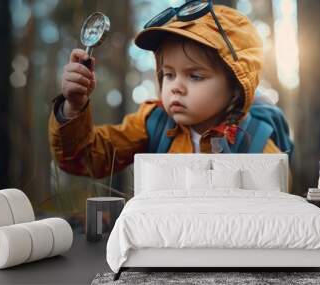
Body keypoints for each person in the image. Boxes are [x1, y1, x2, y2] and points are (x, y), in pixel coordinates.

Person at [48, 3, 293, 189]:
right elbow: (85, 158)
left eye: (195, 76)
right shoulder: (152, 123)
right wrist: (73, 108)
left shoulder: (255, 143)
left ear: (236, 87)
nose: (176, 87)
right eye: (168, 74)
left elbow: (274, 215)